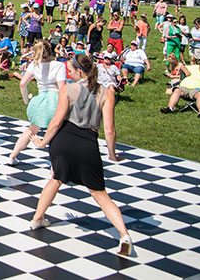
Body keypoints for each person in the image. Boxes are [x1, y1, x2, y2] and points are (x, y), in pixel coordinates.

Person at [30, 54, 132, 257]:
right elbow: (109, 129)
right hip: (88, 143)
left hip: (64, 140)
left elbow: (56, 122)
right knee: (99, 193)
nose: (69, 73)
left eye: (71, 70)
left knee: (56, 179)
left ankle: (37, 218)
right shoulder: (107, 92)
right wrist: (112, 154)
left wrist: (42, 142)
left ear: (79, 72)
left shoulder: (68, 89)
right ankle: (124, 235)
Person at [6, 41, 66, 166]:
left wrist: (26, 100)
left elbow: (22, 84)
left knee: (31, 130)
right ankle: (55, 167)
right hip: (55, 100)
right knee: (57, 133)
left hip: (41, 99)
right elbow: (62, 88)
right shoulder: (59, 65)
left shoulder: (34, 64)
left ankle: (12, 156)